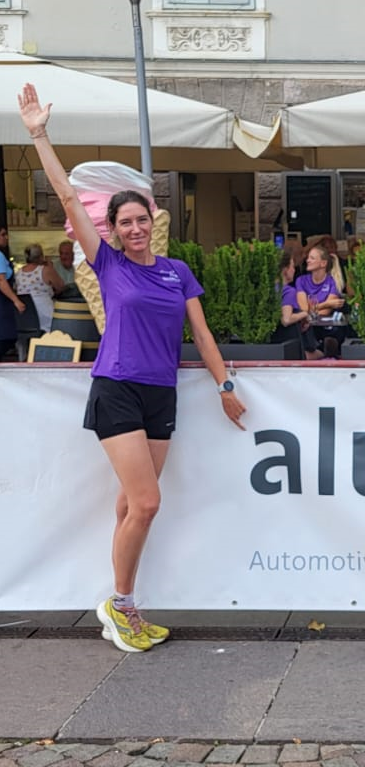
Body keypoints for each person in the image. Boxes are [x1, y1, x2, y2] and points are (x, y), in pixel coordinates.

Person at [18, 82, 247, 653]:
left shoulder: (176, 271)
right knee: (146, 504)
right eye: (125, 223)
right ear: (114, 230)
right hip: (116, 390)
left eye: (142, 219)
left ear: (153, 221)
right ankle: (120, 605)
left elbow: (201, 333)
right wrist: (39, 135)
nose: (136, 229)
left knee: (128, 504)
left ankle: (122, 605)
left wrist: (225, 386)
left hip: (160, 397)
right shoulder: (110, 265)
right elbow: (69, 200)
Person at [296, 243, 346, 354]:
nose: (308, 260)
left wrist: (314, 308)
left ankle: (326, 350)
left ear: (323, 263)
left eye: (312, 258)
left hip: (325, 329)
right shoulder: (301, 280)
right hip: (307, 328)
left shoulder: (333, 281)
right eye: (308, 258)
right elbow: (304, 310)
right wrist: (326, 303)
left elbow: (325, 312)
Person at [273, 251, 319, 359]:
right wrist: (304, 314)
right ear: (285, 270)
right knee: (321, 353)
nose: (294, 270)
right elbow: (286, 319)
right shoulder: (288, 291)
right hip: (290, 345)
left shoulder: (267, 290)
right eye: (292, 267)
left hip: (272, 346)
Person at [15, 243, 64, 332]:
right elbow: (60, 286)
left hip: (26, 315)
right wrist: (50, 266)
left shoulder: (19, 273)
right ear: (41, 256)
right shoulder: (45, 270)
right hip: (44, 312)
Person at [0, 226, 26, 360]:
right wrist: (16, 300)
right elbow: (1, 281)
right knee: (6, 336)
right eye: (3, 235)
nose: (6, 237)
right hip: (2, 303)